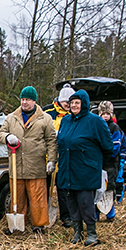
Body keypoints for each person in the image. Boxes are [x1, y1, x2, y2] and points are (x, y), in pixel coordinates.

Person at [0, 85, 57, 234]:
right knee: (17, 199)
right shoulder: (11, 117)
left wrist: (51, 160)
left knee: (38, 199)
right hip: (16, 166)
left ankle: (38, 226)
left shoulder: (45, 118)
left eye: (28, 100)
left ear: (34, 101)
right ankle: (17, 226)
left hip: (36, 167)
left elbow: (51, 140)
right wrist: (7, 137)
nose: (24, 102)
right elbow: (0, 133)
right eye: (23, 99)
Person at [56, 90, 114, 246]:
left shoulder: (95, 121)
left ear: (84, 104)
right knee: (71, 201)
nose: (74, 105)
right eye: (72, 102)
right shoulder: (66, 120)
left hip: (86, 170)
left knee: (85, 202)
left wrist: (95, 163)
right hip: (67, 168)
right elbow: (61, 142)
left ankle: (91, 233)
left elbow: (108, 147)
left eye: (77, 103)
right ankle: (77, 232)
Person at [45, 83, 75, 227]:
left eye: (70, 102)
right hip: (47, 157)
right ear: (59, 100)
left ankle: (66, 216)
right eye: (65, 102)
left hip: (65, 158)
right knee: (45, 188)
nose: (68, 105)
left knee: (64, 189)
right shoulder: (48, 111)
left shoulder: (73, 115)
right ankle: (43, 214)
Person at [96, 101, 126, 222]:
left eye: (107, 113)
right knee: (97, 189)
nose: (105, 116)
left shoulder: (114, 128)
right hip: (98, 163)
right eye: (103, 113)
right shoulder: (96, 126)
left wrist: (105, 154)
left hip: (110, 163)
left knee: (109, 188)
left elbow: (115, 147)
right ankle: (96, 213)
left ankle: (110, 214)